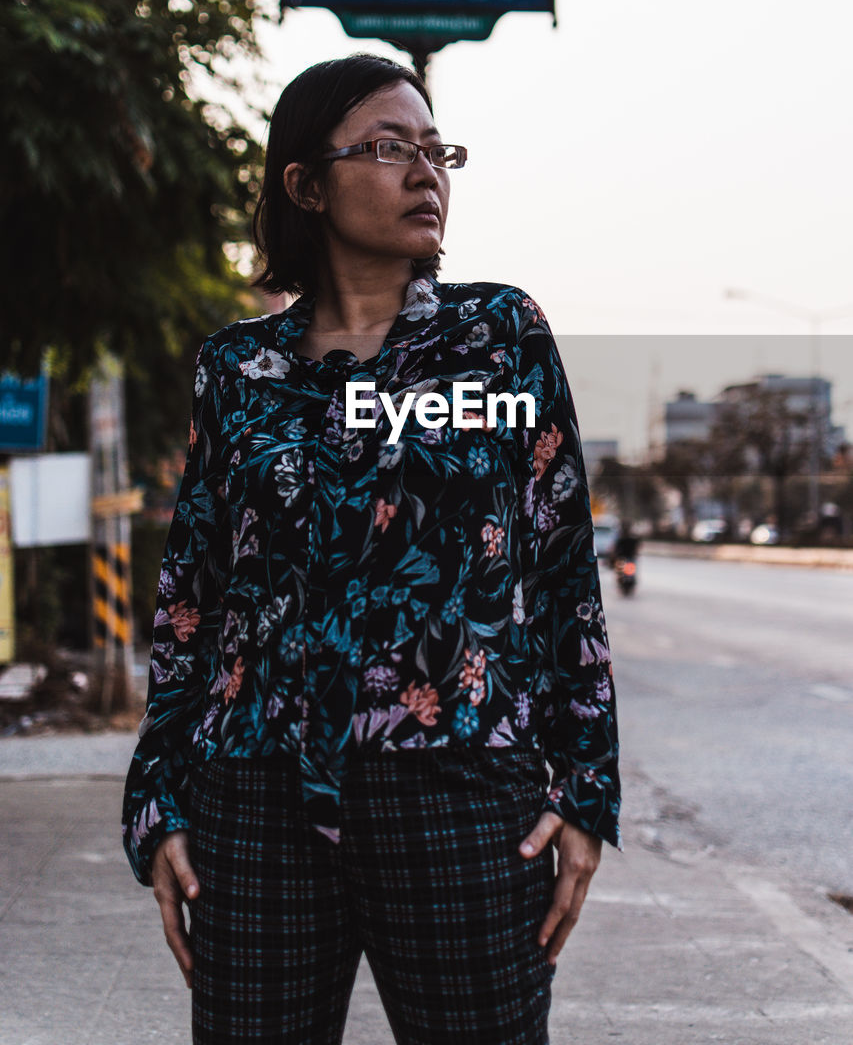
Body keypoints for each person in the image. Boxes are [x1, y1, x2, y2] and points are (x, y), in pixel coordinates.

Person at [122, 53, 620, 1045]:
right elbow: (192, 595)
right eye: (391, 147)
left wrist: (585, 793)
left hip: (460, 790)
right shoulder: (239, 368)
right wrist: (159, 798)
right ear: (304, 183)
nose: (425, 170)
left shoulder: (497, 337)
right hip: (253, 795)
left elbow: (563, 566)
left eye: (437, 150)